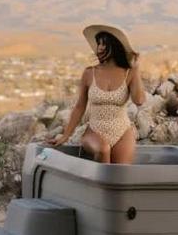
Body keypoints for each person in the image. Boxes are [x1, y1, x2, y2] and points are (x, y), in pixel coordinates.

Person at [48, 24, 146, 164]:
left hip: (123, 131)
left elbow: (139, 100)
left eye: (104, 44)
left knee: (120, 175)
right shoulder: (89, 73)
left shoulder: (128, 73)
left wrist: (135, 69)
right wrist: (65, 136)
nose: (99, 47)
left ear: (115, 46)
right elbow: (80, 107)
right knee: (103, 150)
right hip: (95, 130)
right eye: (98, 43)